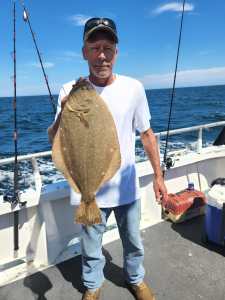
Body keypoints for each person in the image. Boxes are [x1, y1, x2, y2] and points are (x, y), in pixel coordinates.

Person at [48, 17, 168, 300]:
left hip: (125, 185)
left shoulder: (133, 88)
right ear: (84, 52)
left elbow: (147, 134)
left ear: (116, 51)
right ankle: (92, 286)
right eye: (94, 47)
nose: (101, 55)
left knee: (133, 241)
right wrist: (64, 113)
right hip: (88, 190)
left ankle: (135, 279)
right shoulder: (69, 90)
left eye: (107, 47)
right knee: (90, 246)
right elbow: (55, 140)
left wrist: (159, 176)